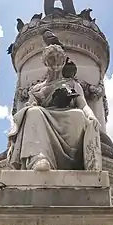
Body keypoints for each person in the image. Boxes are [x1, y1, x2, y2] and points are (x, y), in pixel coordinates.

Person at [8, 44, 102, 172]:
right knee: (33, 112)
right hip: (44, 117)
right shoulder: (36, 89)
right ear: (45, 62)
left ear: (63, 61)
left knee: (79, 115)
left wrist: (91, 115)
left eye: (59, 58)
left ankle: (74, 160)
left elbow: (83, 105)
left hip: (67, 115)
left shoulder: (73, 84)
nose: (56, 62)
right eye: (52, 58)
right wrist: (32, 104)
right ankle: (40, 158)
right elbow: (30, 104)